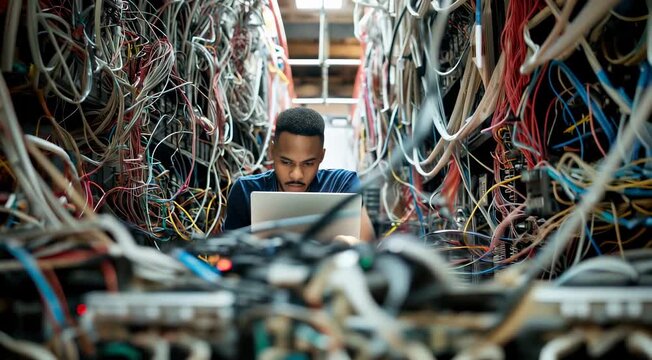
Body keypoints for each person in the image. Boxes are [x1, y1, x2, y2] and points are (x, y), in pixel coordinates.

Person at [222, 107, 375, 242]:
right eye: (286, 162)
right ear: (272, 152)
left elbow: (366, 244)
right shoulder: (245, 190)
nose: (296, 175)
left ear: (321, 156)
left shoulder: (342, 184)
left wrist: (345, 243)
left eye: (308, 163)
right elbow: (228, 253)